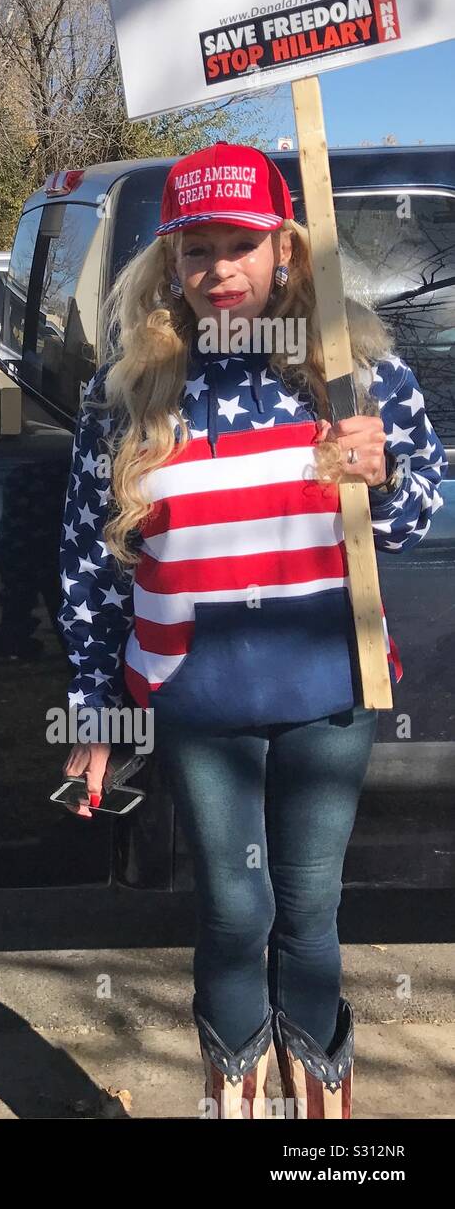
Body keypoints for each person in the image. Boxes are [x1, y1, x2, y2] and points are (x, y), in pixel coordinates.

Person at [55, 141, 447, 1119]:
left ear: (286, 251)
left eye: (241, 244)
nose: (217, 269)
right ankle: (233, 1099)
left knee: (309, 914)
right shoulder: (129, 391)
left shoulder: (355, 372)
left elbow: (409, 523)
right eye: (195, 249)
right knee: (236, 909)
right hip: (194, 696)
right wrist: (96, 714)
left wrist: (382, 469)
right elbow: (90, 564)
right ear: (170, 263)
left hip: (329, 690)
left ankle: (318, 1118)